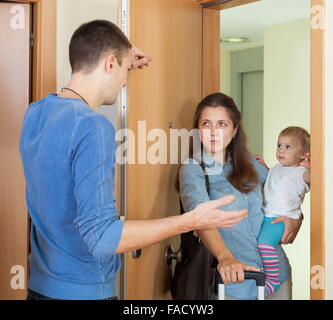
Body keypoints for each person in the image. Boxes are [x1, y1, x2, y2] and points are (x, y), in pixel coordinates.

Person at [19, 20, 248, 300]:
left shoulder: (36, 113)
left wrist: (123, 54)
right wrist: (189, 221)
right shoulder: (93, 127)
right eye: (125, 70)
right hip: (84, 292)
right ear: (109, 63)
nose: (125, 80)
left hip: (40, 287)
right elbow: (102, 237)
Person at [179, 93, 303, 300]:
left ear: (234, 129)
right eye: (206, 124)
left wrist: (296, 220)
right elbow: (200, 220)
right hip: (231, 283)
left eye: (222, 124)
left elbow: (285, 193)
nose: (213, 132)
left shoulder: (253, 164)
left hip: (275, 276)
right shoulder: (192, 169)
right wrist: (225, 257)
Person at [258, 126, 310, 296]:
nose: (281, 150)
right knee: (261, 244)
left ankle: (273, 279)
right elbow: (274, 183)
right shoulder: (277, 168)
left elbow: (317, 178)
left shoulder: (300, 172)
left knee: (264, 244)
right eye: (279, 145)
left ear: (303, 154)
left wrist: (312, 166)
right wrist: (265, 168)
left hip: (281, 219)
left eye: (288, 147)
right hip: (268, 216)